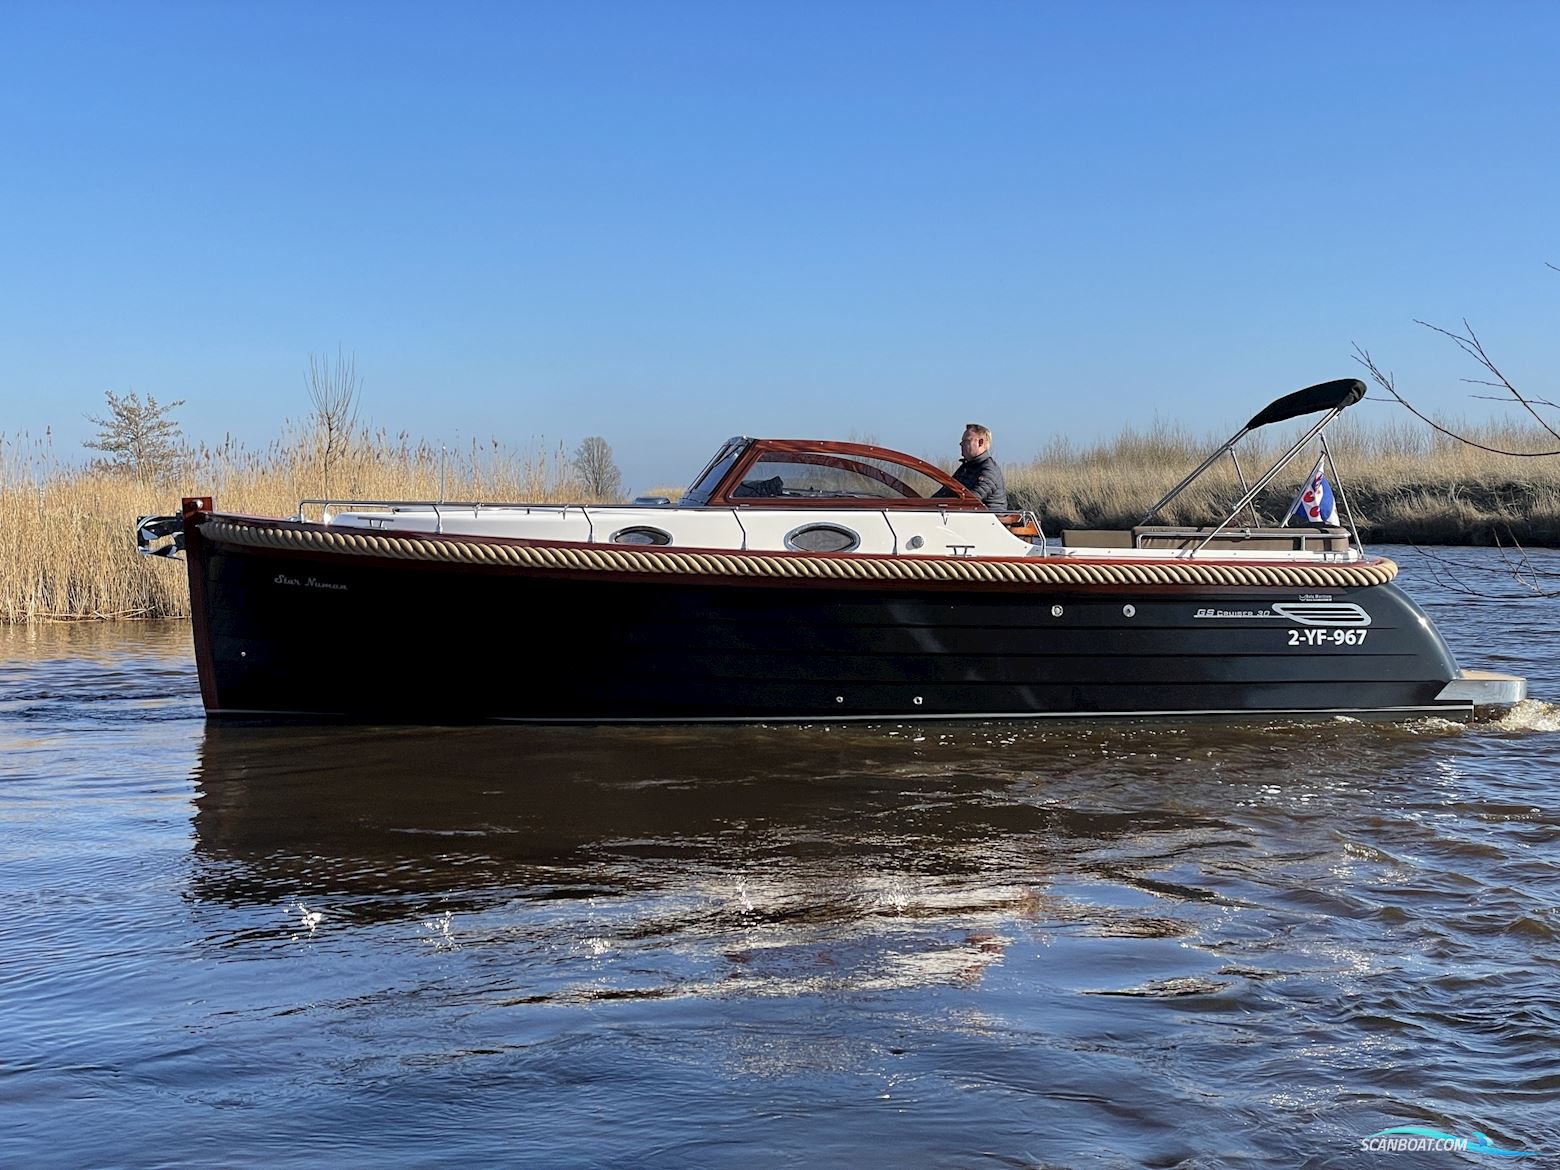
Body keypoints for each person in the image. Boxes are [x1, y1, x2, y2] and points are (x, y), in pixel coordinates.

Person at [937, 422, 1008, 509]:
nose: (961, 444)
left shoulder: (988, 470)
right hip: (972, 518)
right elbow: (947, 491)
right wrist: (927, 504)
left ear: (980, 442)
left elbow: (972, 500)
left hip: (987, 520)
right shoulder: (966, 467)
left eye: (966, 441)